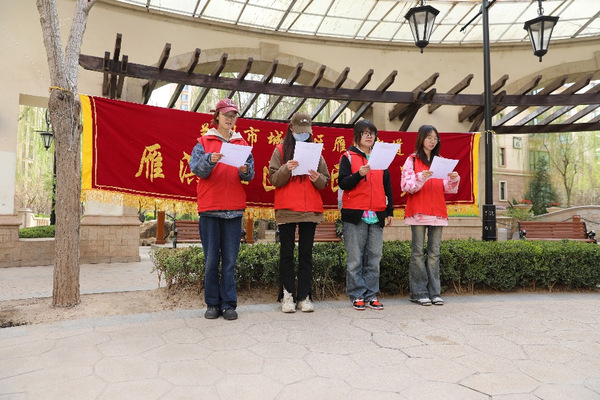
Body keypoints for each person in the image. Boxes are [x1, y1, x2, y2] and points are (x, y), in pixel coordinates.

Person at [189, 98, 255, 320]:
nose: (230, 118)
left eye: (233, 115)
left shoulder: (242, 143)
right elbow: (197, 169)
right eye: (226, 114)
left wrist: (245, 169)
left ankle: (228, 304)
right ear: (217, 116)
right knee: (211, 261)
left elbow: (250, 174)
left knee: (229, 262)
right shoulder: (203, 142)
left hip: (234, 210)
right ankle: (212, 304)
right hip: (210, 208)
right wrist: (209, 159)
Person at [268, 112, 330, 313]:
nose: (303, 135)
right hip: (287, 208)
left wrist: (317, 178)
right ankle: (287, 295)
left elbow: (325, 181)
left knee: (306, 254)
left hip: (310, 209)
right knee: (286, 253)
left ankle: (304, 297)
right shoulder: (280, 150)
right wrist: (286, 168)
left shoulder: (315, 152)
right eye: (299, 131)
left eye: (306, 132)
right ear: (291, 129)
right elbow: (273, 179)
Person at [400, 125, 460, 306]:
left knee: (434, 254)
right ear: (421, 139)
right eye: (429, 138)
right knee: (418, 253)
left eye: (435, 138)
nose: (433, 141)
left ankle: (434, 292)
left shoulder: (440, 161)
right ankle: (418, 293)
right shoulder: (411, 160)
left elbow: (446, 188)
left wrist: (453, 179)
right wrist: (421, 177)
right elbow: (406, 186)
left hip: (438, 212)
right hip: (418, 211)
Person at [338, 119, 394, 311]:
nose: (369, 136)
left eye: (372, 133)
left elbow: (387, 186)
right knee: (355, 258)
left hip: (377, 214)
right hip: (355, 214)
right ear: (357, 136)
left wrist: (390, 211)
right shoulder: (348, 156)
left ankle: (371, 295)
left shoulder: (380, 159)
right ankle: (357, 294)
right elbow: (343, 183)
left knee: (375, 257)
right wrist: (358, 175)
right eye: (365, 133)